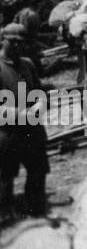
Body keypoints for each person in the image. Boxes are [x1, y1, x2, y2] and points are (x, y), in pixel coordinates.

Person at [0, 24, 47, 220]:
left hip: (31, 129)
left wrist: (40, 104)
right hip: (7, 131)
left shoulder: (27, 64)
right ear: (3, 40)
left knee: (38, 170)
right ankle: (5, 212)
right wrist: (22, 113)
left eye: (21, 42)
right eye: (13, 41)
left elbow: (39, 91)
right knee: (5, 176)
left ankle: (35, 209)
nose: (18, 46)